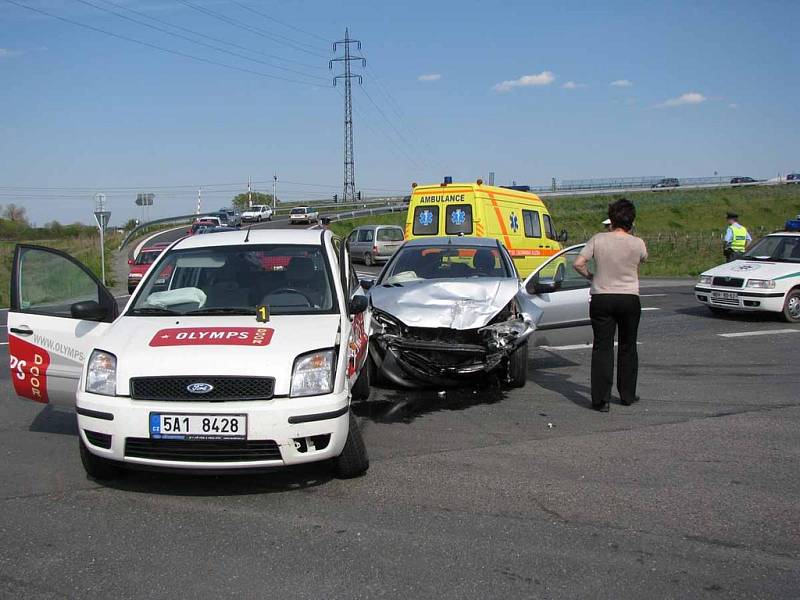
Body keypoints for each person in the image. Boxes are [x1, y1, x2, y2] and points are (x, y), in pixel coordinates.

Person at [573, 199, 648, 412]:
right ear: (631, 221)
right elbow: (643, 259)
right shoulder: (638, 243)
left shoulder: (598, 239)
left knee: (602, 347)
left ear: (611, 219)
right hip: (629, 298)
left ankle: (600, 400)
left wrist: (592, 276)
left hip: (602, 297)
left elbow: (578, 263)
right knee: (628, 346)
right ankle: (627, 395)